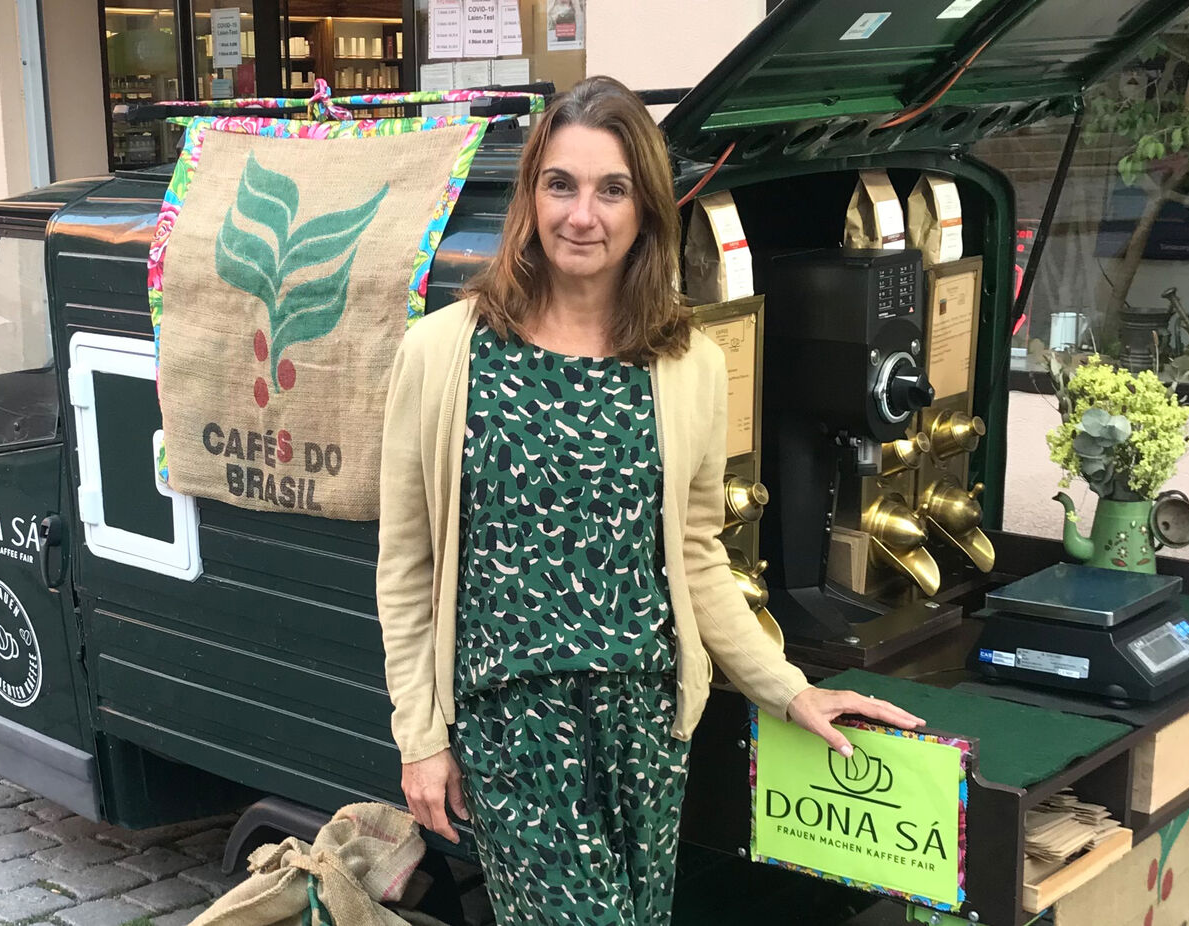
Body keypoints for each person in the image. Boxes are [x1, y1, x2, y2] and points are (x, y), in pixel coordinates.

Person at [376, 76, 923, 925]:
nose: (581, 215)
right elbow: (407, 565)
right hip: (514, 722)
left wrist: (788, 689)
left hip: (647, 720)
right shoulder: (445, 352)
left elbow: (697, 555)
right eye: (560, 185)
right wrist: (421, 738)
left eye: (612, 190)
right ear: (530, 197)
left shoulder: (688, 362)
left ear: (646, 211)